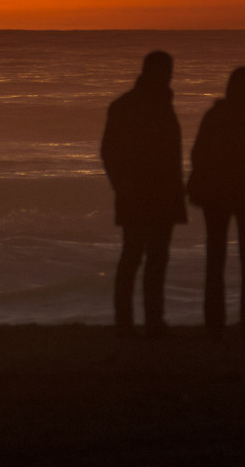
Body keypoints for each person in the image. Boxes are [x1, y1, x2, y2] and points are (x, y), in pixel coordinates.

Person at [187, 66, 245, 338]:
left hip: (216, 194)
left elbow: (198, 154)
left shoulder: (215, 116)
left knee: (215, 258)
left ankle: (214, 322)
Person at [100, 50, 185, 336]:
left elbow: (109, 153)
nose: (169, 77)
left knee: (141, 256)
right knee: (143, 257)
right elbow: (111, 153)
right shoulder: (150, 105)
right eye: (166, 72)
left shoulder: (128, 104)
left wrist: (122, 186)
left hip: (145, 193)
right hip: (147, 193)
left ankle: (139, 321)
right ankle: (143, 321)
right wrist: (124, 186)